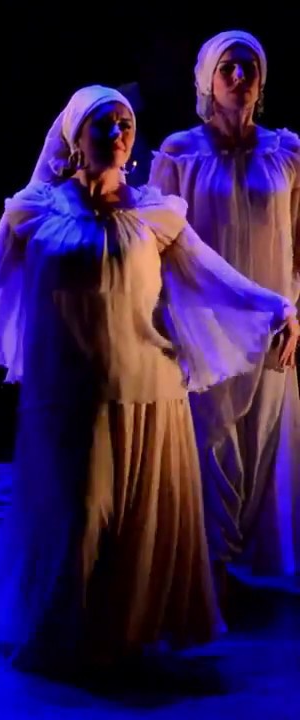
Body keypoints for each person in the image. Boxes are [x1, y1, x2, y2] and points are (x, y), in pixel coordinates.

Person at [0, 85, 298, 673]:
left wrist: (277, 305)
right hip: (67, 393)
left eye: (125, 124)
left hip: (146, 388)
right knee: (80, 513)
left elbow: (215, 275)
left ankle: (124, 632)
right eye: (104, 124)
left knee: (131, 521)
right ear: (76, 137)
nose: (118, 134)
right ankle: (71, 633)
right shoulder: (36, 210)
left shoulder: (155, 213)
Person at [150, 30, 300, 600]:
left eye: (248, 68)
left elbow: (298, 242)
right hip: (204, 321)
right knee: (211, 439)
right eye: (227, 68)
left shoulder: (286, 151)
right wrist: (162, 317)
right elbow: (157, 242)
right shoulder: (180, 152)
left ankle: (247, 557)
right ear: (207, 80)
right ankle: (208, 560)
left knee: (262, 434)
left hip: (269, 319)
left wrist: (294, 310)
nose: (238, 77)